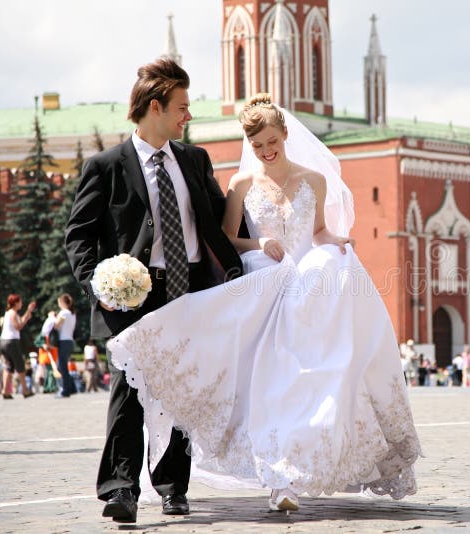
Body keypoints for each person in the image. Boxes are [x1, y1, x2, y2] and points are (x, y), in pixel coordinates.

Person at [105, 93, 420, 514]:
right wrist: (261, 242)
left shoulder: (314, 180)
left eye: (272, 142)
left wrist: (338, 242)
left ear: (285, 134)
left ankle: (293, 468)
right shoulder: (242, 185)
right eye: (257, 147)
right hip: (266, 284)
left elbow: (320, 231)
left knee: (307, 378)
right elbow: (227, 238)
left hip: (307, 291)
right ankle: (277, 475)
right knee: (271, 385)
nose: (266, 152)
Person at [65, 59, 244, 523]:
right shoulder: (106, 167)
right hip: (130, 296)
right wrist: (96, 284)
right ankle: (120, 489)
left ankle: (171, 487)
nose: (188, 116)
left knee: (180, 389)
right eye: (182, 107)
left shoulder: (194, 160)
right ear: (155, 106)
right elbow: (79, 235)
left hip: (188, 291)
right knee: (129, 390)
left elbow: (226, 221)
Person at [0, 294, 36, 399]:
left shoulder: (8, 313)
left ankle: (5, 391)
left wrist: (28, 311)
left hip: (3, 342)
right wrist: (25, 319)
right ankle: (25, 390)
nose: (21, 304)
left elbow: (22, 320)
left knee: (9, 367)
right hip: (12, 342)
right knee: (20, 366)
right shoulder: (13, 313)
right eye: (20, 302)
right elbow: (18, 327)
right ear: (15, 303)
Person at [53, 293, 78, 398]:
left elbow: (56, 325)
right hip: (69, 341)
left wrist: (52, 317)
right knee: (62, 366)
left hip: (63, 341)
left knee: (61, 366)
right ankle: (69, 387)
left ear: (63, 303)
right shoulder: (72, 313)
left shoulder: (64, 312)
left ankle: (65, 390)